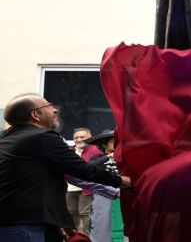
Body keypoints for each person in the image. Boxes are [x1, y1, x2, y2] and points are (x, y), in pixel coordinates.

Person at [0, 93, 129, 242]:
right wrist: (121, 181)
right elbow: (79, 169)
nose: (55, 110)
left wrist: (57, 221)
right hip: (26, 225)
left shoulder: (6, 139)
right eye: (48, 106)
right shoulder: (42, 137)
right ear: (35, 115)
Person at [65, 128, 102, 235]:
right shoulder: (69, 150)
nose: (79, 139)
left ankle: (87, 236)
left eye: (82, 137)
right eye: (76, 137)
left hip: (87, 188)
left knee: (85, 213)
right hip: (70, 188)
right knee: (72, 211)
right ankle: (78, 235)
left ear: (90, 138)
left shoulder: (95, 150)